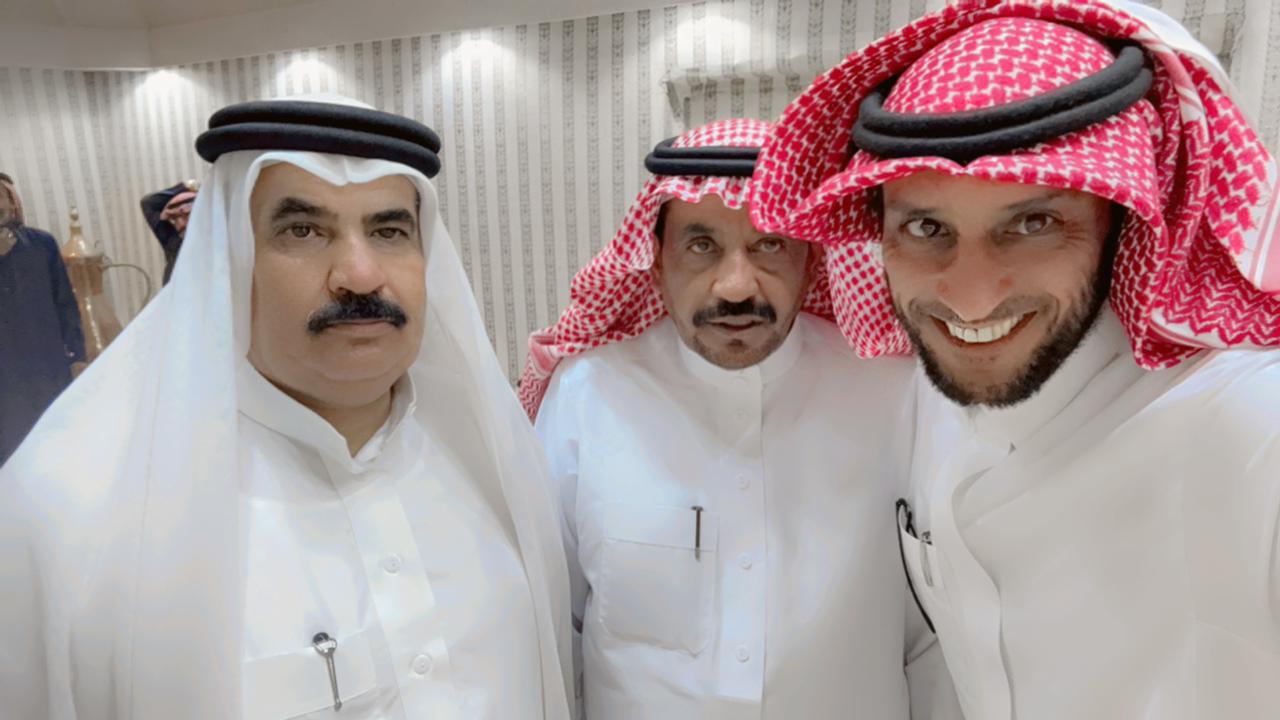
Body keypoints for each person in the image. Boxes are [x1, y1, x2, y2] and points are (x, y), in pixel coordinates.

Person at [749, 1, 1280, 718]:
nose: (971, 301)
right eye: (926, 227)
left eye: (1034, 223)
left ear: (1121, 220)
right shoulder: (930, 394)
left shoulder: (1252, 429)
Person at [0, 96, 572, 720]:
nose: (359, 274)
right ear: (231, 260)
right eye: (302, 231)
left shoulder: (496, 464)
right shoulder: (71, 519)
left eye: (389, 231)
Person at [522, 119, 959, 719]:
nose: (734, 286)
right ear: (655, 263)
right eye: (701, 246)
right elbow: (554, 625)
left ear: (812, 261)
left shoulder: (895, 392)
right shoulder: (585, 395)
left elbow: (936, 634)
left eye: (769, 245)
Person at [0, 172, 85, 466]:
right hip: (6, 380)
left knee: (59, 442)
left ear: (12, 201)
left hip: (48, 367)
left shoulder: (42, 245)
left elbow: (66, 305)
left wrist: (77, 356)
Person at [140, 181, 199, 284]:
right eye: (176, 217)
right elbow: (148, 203)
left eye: (188, 215)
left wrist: (203, 197)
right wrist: (186, 187)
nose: (182, 222)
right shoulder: (171, 239)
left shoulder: (213, 238)